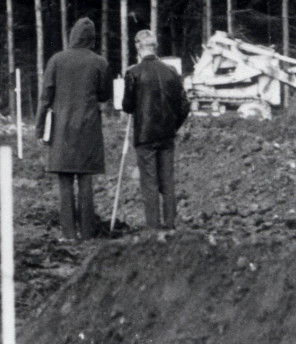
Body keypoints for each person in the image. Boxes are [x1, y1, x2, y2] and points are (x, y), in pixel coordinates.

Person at [36, 17, 113, 240]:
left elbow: (45, 98)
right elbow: (105, 94)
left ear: (72, 35)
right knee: (86, 181)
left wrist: (40, 129)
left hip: (61, 130)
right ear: (92, 38)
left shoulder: (56, 60)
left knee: (65, 183)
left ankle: (69, 234)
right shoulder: (99, 62)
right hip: (88, 128)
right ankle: (87, 233)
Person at [120, 29, 190, 232]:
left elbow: (127, 106)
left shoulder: (133, 72)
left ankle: (153, 229)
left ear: (138, 47)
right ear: (155, 47)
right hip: (167, 136)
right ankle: (170, 226)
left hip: (145, 136)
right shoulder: (171, 71)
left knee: (149, 183)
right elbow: (184, 105)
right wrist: (173, 126)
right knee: (167, 182)